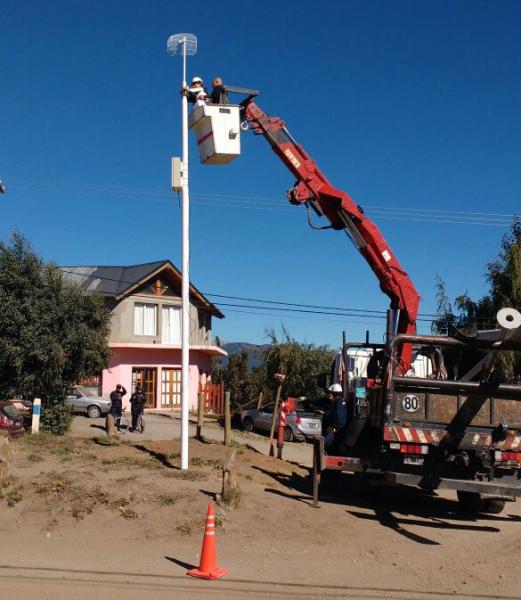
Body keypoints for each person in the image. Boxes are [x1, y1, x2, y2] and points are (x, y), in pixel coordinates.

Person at [322, 383, 347, 449]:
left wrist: (333, 428)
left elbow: (339, 417)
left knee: (326, 443)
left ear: (334, 393)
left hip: (337, 429)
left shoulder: (338, 402)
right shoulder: (341, 401)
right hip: (339, 429)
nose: (330, 394)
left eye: (331, 392)